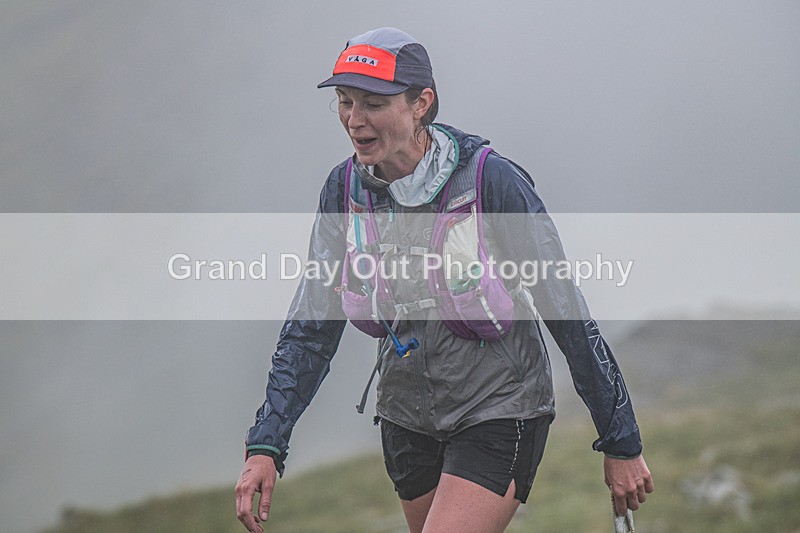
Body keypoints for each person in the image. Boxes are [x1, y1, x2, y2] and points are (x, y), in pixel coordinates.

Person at [235, 27, 653, 533]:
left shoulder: (491, 181)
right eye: (345, 102)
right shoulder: (344, 190)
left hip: (501, 406)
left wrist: (621, 439)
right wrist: (266, 444)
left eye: (373, 102)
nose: (354, 120)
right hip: (407, 417)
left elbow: (566, 309)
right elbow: (311, 326)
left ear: (420, 103)